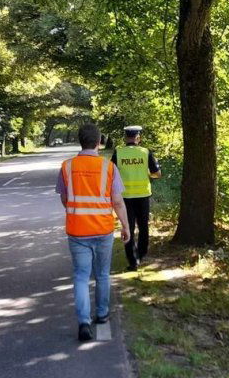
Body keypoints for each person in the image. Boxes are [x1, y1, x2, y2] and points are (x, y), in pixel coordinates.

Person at [56, 123, 131, 342]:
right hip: (103, 229)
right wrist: (125, 226)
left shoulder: (67, 166)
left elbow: (64, 198)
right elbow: (117, 201)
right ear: (99, 142)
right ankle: (102, 314)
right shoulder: (109, 167)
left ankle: (83, 323)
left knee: (80, 276)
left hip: (78, 231)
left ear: (80, 141)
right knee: (102, 274)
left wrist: (77, 212)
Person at [111, 125, 161, 271]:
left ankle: (133, 261)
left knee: (128, 227)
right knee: (143, 226)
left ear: (126, 138)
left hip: (125, 196)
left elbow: (112, 173)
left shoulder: (118, 153)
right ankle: (142, 253)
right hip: (143, 195)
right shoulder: (145, 152)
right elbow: (157, 173)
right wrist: (147, 174)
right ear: (138, 138)